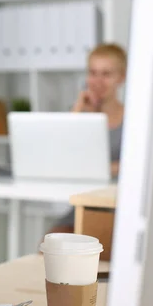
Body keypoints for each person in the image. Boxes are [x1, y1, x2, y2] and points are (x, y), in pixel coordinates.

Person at [49, 43, 127, 234]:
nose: (97, 81)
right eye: (93, 73)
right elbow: (59, 156)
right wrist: (78, 111)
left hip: (118, 206)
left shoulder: (132, 119)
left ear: (121, 78)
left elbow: (137, 166)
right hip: (84, 204)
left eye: (106, 74)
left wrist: (99, 168)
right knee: (48, 245)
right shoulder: (80, 115)